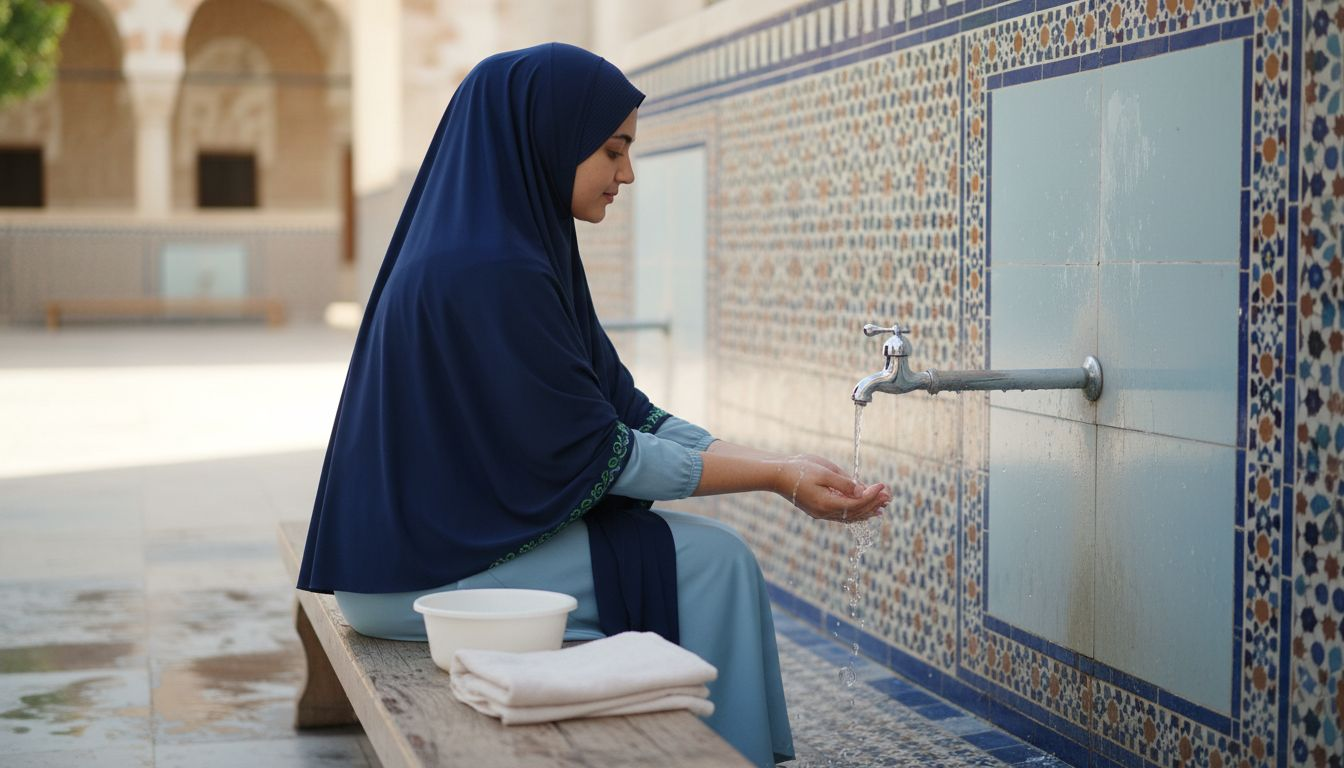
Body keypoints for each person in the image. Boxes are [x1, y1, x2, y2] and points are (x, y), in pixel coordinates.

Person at [296, 42, 890, 768]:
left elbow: (626, 411)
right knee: (715, 563)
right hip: (413, 578)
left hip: (420, 551)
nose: (626, 173)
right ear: (548, 138)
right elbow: (600, 454)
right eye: (612, 150)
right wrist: (775, 479)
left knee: (688, 554)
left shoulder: (506, 249)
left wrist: (783, 463)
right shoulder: (492, 272)